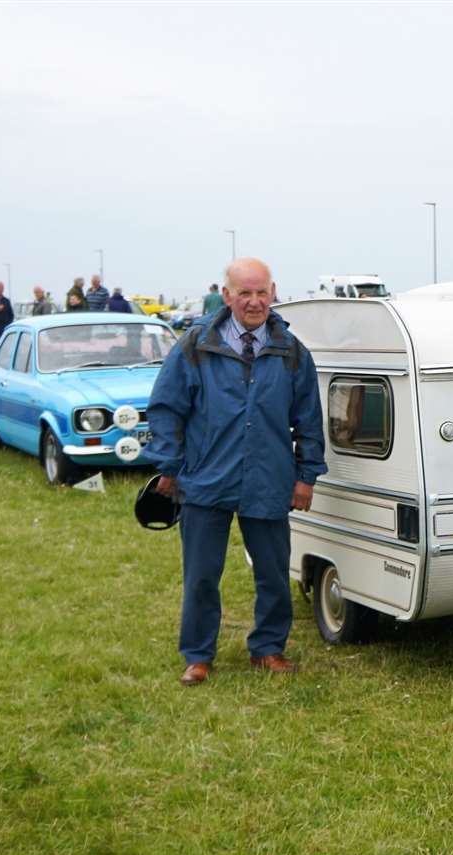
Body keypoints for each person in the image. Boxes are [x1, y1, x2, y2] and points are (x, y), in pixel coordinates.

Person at [146, 257, 327, 687]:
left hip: (269, 479)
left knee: (272, 571)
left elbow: (310, 420)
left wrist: (306, 477)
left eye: (261, 292)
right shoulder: (195, 345)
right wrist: (169, 468)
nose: (254, 301)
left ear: (273, 292)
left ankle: (267, 649)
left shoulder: (292, 352)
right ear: (226, 296)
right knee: (202, 574)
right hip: (206, 478)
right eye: (244, 293)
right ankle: (198, 655)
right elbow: (166, 408)